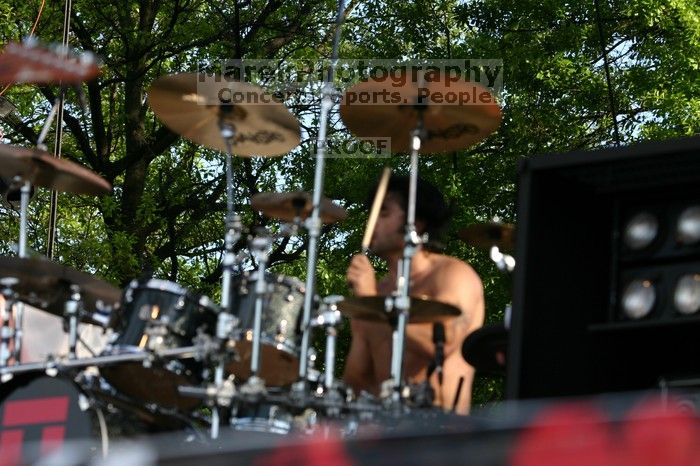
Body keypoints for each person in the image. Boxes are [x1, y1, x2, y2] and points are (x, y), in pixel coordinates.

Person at [343, 175, 484, 414]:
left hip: (441, 433)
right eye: (371, 213)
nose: (372, 221)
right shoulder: (374, 293)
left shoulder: (452, 274)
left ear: (415, 223)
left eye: (384, 213)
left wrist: (372, 302)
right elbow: (358, 379)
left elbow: (441, 345)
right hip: (382, 434)